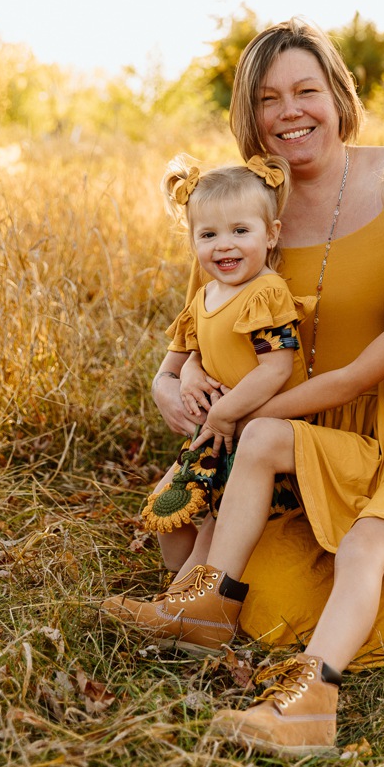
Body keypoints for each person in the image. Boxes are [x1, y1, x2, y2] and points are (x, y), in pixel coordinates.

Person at [115, 20, 384, 664]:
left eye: (306, 90)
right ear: (249, 114)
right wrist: (171, 380)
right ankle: (207, 603)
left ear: (339, 96)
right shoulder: (242, 205)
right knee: (266, 606)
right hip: (290, 443)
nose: (289, 112)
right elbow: (206, 318)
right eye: (267, 98)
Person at [139, 153, 315, 578]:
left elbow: (275, 368)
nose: (224, 245)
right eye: (209, 234)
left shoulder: (265, 293)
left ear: (271, 235)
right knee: (165, 511)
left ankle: (193, 608)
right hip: (212, 434)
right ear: (193, 241)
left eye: (240, 231)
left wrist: (223, 413)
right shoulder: (205, 298)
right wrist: (192, 370)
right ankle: (179, 596)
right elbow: (200, 349)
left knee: (213, 530)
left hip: (248, 433)